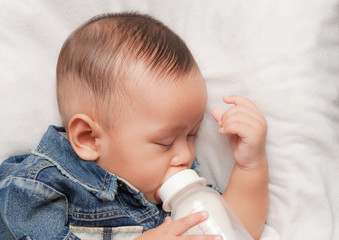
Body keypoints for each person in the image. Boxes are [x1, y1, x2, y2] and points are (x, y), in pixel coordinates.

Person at [0, 12, 268, 240]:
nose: (186, 155)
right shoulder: (41, 187)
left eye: (191, 136)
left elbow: (234, 228)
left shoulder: (180, 193)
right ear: (89, 139)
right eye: (165, 143)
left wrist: (250, 166)